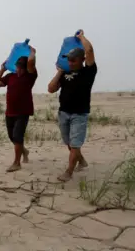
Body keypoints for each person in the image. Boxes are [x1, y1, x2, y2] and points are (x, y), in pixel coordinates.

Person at [47, 29, 96, 182]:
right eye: (68, 59)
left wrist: (81, 37)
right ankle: (81, 161)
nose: (70, 62)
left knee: (75, 144)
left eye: (73, 60)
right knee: (69, 143)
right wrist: (59, 72)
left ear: (81, 60)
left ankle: (69, 172)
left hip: (79, 114)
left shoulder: (88, 72)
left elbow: (89, 50)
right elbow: (51, 88)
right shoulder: (64, 73)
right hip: (64, 113)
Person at [0, 46, 38, 172]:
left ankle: (17, 163)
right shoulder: (10, 76)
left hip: (23, 112)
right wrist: (2, 69)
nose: (19, 70)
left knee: (18, 137)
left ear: (26, 68)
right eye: (18, 67)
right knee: (12, 137)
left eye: (22, 68)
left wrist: (33, 52)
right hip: (10, 112)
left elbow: (31, 62)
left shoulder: (30, 76)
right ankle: (24, 151)